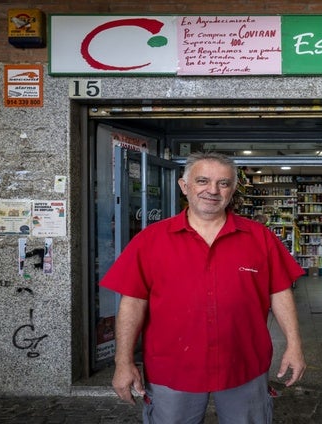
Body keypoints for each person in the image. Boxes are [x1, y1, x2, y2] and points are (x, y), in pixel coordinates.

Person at [100, 151, 306, 423]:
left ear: (233, 190)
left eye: (223, 183)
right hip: (172, 367)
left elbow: (280, 292)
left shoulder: (260, 238)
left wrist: (294, 345)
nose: (213, 190)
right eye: (202, 181)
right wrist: (122, 361)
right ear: (184, 187)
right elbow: (133, 303)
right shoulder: (150, 240)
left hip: (243, 363)